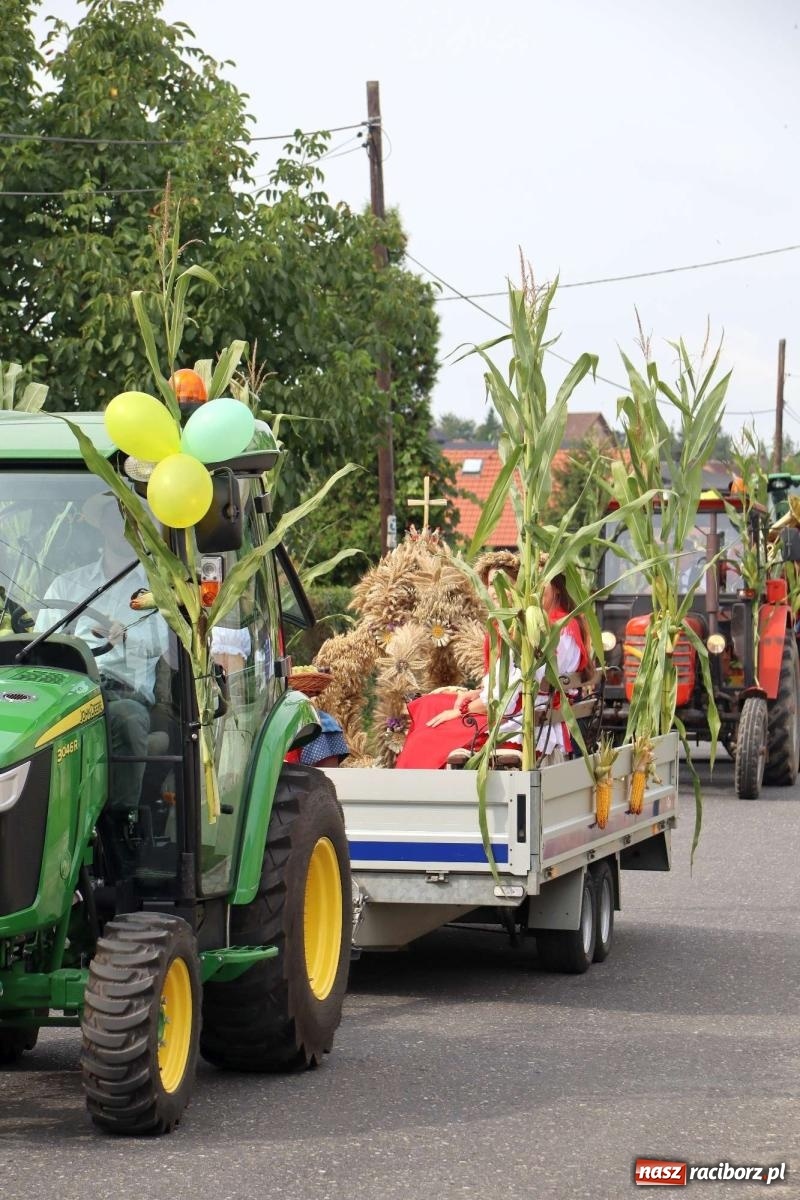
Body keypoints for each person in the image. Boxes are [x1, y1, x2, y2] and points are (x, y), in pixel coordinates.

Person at [35, 492, 169, 812]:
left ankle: (123, 821)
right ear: (102, 525)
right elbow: (40, 645)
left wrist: (125, 637)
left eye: (130, 516)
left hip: (124, 693)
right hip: (70, 692)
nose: (122, 524)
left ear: (140, 526)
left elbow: (161, 646)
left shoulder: (157, 592)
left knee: (129, 718)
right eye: (114, 515)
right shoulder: (68, 585)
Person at [395, 553, 591, 769]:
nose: (532, 592)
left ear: (557, 587)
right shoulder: (565, 625)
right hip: (523, 711)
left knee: (428, 730)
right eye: (529, 585)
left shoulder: (545, 633)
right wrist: (477, 694)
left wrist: (464, 711)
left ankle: (415, 787)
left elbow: (509, 696)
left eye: (538, 584)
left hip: (517, 722)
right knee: (428, 705)